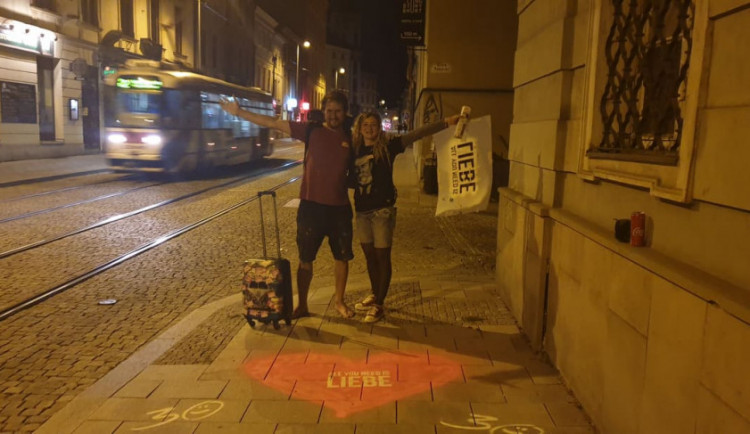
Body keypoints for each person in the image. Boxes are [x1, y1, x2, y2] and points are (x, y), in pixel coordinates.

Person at [219, 90, 356, 319]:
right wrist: (239, 112)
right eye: (329, 111)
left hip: (339, 208)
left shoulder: (351, 136)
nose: (333, 115)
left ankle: (340, 302)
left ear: (345, 113)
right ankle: (302, 305)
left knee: (342, 258)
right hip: (311, 207)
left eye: (338, 111)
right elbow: (273, 122)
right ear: (323, 111)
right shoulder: (311, 130)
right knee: (305, 259)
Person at [350, 111, 460, 322]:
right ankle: (375, 293)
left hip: (382, 211)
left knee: (382, 256)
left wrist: (446, 122)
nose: (369, 128)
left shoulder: (389, 147)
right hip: (362, 211)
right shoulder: (354, 149)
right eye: (366, 125)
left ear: (379, 128)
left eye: (373, 124)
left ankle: (380, 304)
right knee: (370, 256)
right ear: (360, 128)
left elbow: (418, 133)